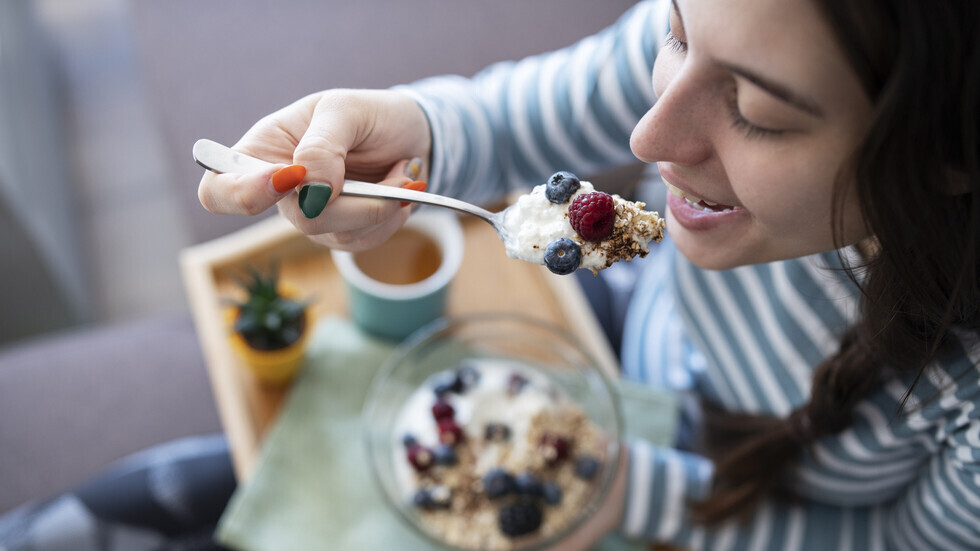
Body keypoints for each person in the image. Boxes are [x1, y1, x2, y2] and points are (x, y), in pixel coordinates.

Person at [198, 0, 980, 548]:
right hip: (625, 324)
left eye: (756, 113)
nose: (648, 138)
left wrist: (629, 492)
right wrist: (417, 134)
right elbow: (515, 120)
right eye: (674, 30)